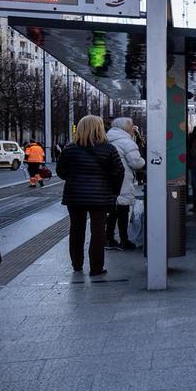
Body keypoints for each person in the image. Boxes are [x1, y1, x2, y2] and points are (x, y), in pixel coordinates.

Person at [56, 115, 124, 276]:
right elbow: (118, 172)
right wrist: (113, 191)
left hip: (75, 196)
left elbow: (60, 171)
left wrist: (74, 179)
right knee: (98, 231)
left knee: (76, 230)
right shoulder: (108, 149)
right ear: (100, 128)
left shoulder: (70, 149)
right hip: (99, 196)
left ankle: (77, 264)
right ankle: (96, 268)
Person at [104, 118, 146, 250]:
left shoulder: (107, 138)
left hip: (109, 179)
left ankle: (109, 239)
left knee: (113, 211)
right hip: (123, 178)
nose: (133, 128)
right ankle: (124, 240)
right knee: (123, 210)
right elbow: (136, 163)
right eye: (132, 125)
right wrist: (145, 161)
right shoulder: (126, 142)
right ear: (125, 128)